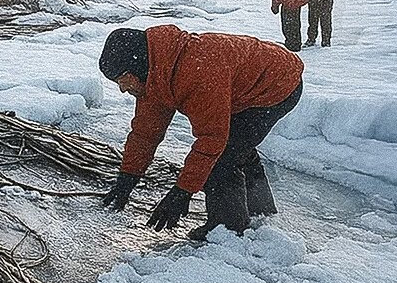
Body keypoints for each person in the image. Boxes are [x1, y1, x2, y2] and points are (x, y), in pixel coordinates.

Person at [98, 26, 303, 241]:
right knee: (237, 146)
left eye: (123, 79)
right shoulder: (155, 74)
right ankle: (262, 212)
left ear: (135, 67)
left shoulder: (196, 72)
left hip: (278, 83)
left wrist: (182, 192)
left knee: (223, 156)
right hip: (245, 82)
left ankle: (227, 230)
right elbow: (145, 134)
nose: (122, 88)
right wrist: (127, 178)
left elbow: (211, 140)